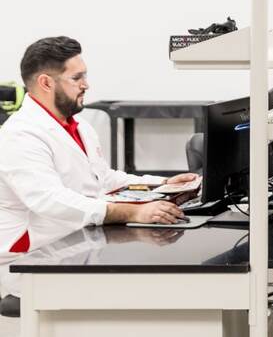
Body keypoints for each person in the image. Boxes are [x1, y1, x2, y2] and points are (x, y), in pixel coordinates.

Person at [0, 36, 196, 269]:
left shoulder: (79, 126)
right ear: (46, 83)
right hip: (30, 258)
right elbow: (49, 200)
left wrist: (164, 183)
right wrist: (131, 213)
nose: (86, 84)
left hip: (74, 243)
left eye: (85, 75)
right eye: (76, 77)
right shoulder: (21, 134)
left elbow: (103, 178)